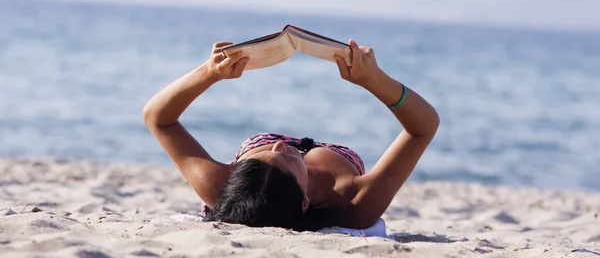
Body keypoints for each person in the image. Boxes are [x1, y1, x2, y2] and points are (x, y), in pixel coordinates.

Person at [142, 39, 439, 231]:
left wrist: (210, 72)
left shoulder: (220, 185)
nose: (281, 145)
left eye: (263, 156)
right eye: (287, 160)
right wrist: (376, 81)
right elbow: (423, 127)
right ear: (305, 202)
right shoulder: (352, 204)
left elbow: (158, 118)